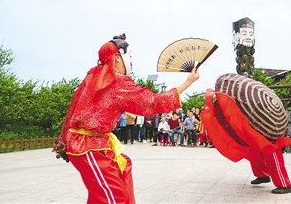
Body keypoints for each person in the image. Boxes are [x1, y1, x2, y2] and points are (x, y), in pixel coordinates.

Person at [53, 34, 199, 203]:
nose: (132, 59)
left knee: (114, 183)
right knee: (114, 198)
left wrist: (63, 139)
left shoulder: (93, 76)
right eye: (128, 55)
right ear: (116, 58)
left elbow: (73, 109)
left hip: (95, 145)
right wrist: (188, 83)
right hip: (88, 146)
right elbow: (152, 102)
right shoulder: (116, 82)